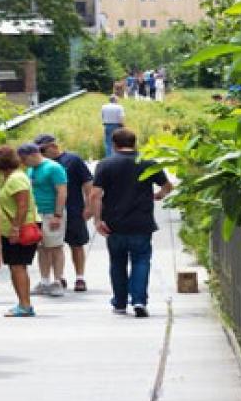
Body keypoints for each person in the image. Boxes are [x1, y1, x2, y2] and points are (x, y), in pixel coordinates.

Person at [91, 128, 173, 318]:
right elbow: (167, 186)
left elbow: (95, 194)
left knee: (117, 262)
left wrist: (97, 219)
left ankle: (120, 303)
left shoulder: (105, 164)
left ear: (114, 144)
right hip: (141, 222)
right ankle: (138, 300)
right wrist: (158, 196)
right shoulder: (147, 163)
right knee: (141, 260)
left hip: (114, 223)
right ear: (135, 143)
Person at [34, 134, 93, 292]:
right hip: (50, 211)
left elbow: (88, 182)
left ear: (53, 146)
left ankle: (80, 277)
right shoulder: (41, 164)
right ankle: (58, 277)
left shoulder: (73, 160)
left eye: (43, 150)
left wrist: (89, 205)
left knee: (77, 244)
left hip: (74, 208)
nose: (41, 153)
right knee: (53, 245)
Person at [0, 146, 41, 317]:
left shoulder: (17, 179)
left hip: (20, 229)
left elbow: (23, 204)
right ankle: (22, 302)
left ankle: (25, 304)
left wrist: (15, 228)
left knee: (18, 266)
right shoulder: (9, 178)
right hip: (11, 229)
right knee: (14, 266)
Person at [18, 143, 68, 297]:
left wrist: (57, 215)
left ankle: (58, 281)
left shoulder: (54, 168)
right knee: (42, 248)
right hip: (36, 214)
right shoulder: (31, 169)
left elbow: (62, 191)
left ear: (33, 154)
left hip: (51, 212)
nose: (23, 163)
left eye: (24, 159)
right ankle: (45, 280)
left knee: (55, 247)